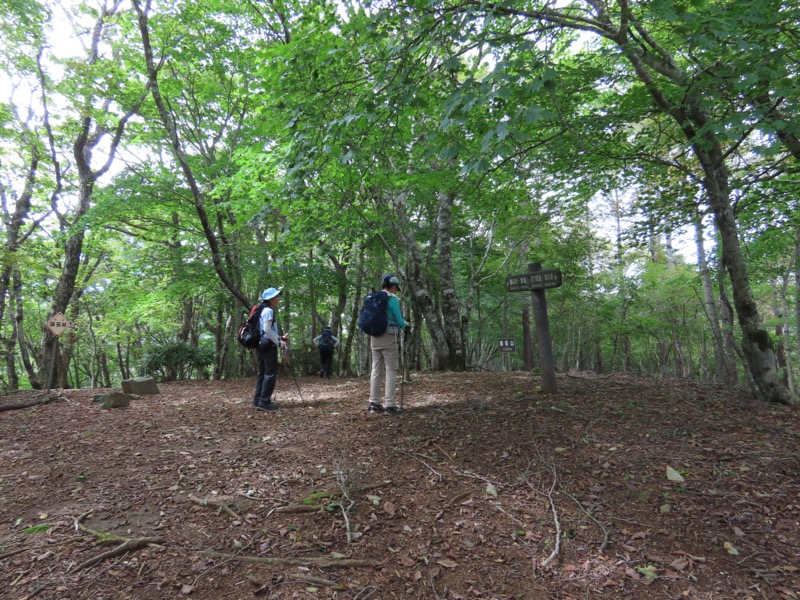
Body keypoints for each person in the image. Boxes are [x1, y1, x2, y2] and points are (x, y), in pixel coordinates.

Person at [368, 274, 410, 415]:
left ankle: (374, 403)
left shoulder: (373, 297)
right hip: (388, 336)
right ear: (393, 287)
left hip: (374, 336)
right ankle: (390, 405)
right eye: (396, 288)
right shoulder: (391, 299)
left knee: (376, 369)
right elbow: (399, 320)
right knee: (391, 369)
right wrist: (406, 325)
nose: (395, 291)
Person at [253, 287, 289, 411]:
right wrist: (279, 343)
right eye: (276, 297)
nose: (278, 299)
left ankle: (258, 400)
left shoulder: (261, 309)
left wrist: (279, 337)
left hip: (261, 344)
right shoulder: (268, 310)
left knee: (262, 373)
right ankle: (264, 401)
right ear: (270, 299)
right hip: (268, 345)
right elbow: (267, 330)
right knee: (269, 373)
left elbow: (266, 330)